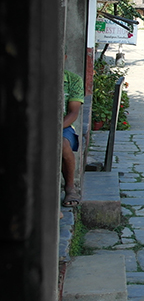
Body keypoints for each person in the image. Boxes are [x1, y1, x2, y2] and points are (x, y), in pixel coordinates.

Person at [62, 68, 84, 207]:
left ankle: (70, 187)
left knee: (63, 144)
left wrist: (56, 129)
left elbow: (73, 112)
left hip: (64, 125)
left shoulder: (73, 80)